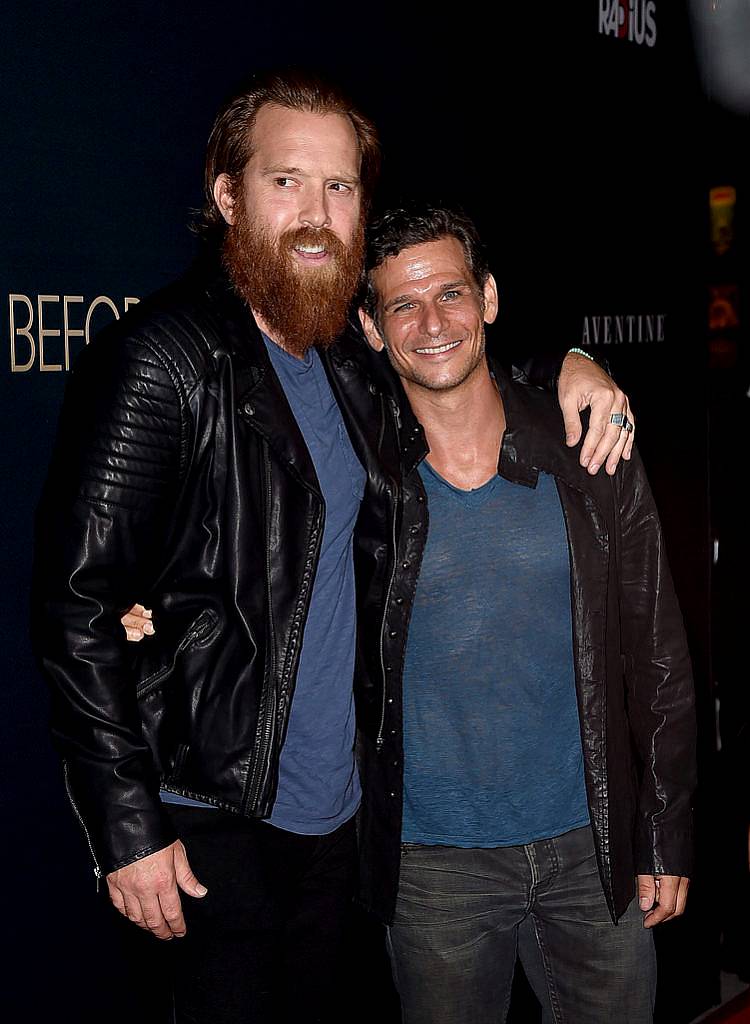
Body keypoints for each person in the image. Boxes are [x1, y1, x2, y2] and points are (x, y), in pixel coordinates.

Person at [36, 70, 634, 1024]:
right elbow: (76, 604)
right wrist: (127, 829)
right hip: (213, 820)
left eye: (339, 187)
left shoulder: (345, 359)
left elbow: (445, 356)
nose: (316, 215)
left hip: (341, 826)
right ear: (227, 194)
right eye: (286, 183)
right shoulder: (165, 356)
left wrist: (566, 360)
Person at [350, 204, 696, 1024]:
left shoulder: (589, 449)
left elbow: (658, 658)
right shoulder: (358, 478)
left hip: (592, 849)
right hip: (434, 869)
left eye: (452, 293)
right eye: (402, 304)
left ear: (490, 299)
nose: (432, 322)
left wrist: (665, 833)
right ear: (370, 328)